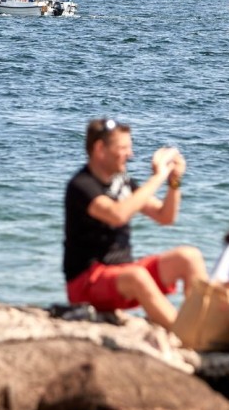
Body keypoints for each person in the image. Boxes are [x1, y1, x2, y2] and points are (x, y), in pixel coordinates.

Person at [62, 118, 204, 327]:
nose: (131, 154)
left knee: (189, 257)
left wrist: (174, 181)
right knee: (136, 275)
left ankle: (205, 327)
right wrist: (158, 177)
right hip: (86, 283)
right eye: (123, 148)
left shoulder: (123, 183)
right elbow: (117, 214)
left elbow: (165, 216)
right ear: (100, 149)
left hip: (122, 275)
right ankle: (186, 335)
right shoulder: (82, 185)